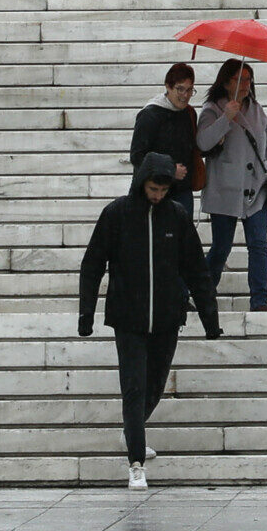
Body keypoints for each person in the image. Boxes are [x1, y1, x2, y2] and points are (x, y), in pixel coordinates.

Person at [78, 152, 221, 490]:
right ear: (142, 182)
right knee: (134, 386)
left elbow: (196, 270)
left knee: (154, 385)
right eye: (153, 188)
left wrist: (210, 318)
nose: (157, 195)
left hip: (168, 318)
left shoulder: (177, 216)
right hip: (128, 318)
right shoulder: (117, 215)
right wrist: (87, 313)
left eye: (163, 190)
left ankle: (133, 432)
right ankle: (136, 462)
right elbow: (93, 263)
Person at [197, 58, 267, 312]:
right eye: (240, 79)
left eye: (249, 79)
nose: (246, 84)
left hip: (256, 189)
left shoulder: (257, 109)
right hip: (224, 191)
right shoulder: (212, 109)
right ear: (226, 82)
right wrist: (225, 118)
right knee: (221, 248)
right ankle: (200, 294)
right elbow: (203, 143)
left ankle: (259, 300)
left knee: (258, 245)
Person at [131, 64, 200, 216]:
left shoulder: (189, 113)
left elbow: (195, 147)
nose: (185, 95)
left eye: (190, 90)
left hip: (182, 192)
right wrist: (169, 169)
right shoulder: (150, 115)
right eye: (180, 89)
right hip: (154, 192)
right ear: (168, 87)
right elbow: (137, 156)